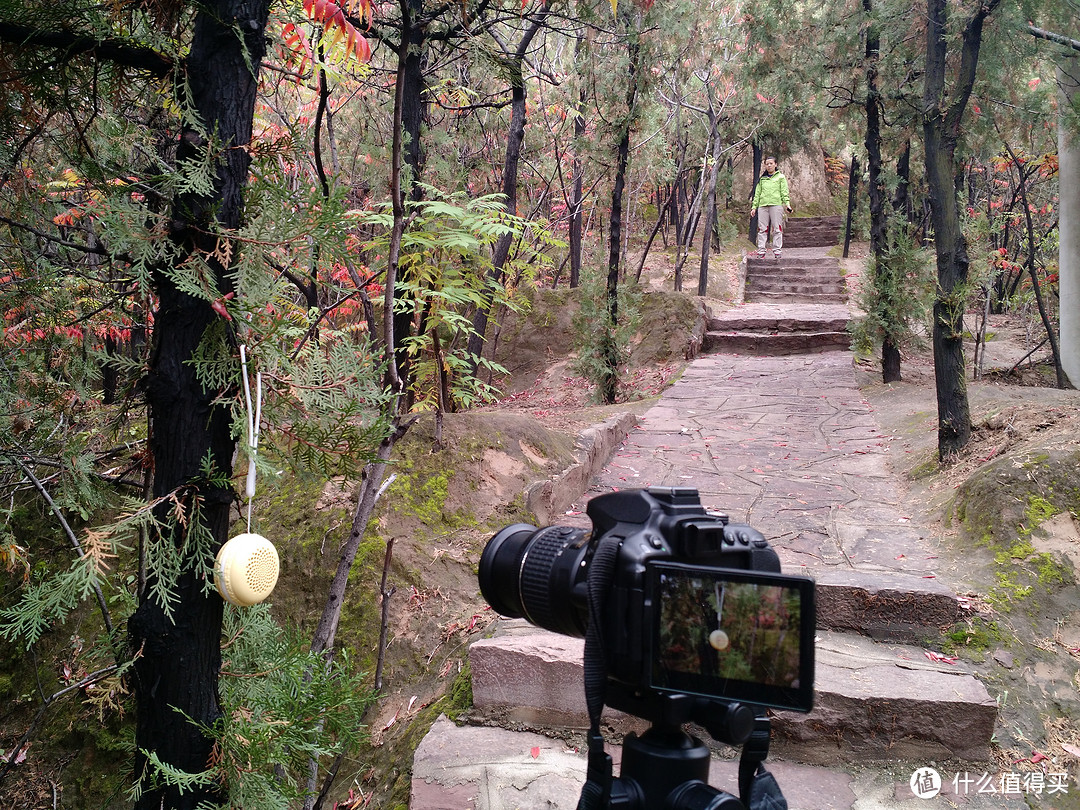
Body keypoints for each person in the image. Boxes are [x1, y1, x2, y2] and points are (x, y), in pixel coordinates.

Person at [750, 156, 793, 259]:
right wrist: (754, 207)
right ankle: (761, 251)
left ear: (775, 164)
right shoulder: (762, 179)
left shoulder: (780, 177)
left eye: (771, 163)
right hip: (762, 206)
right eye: (767, 164)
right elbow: (757, 194)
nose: (769, 165)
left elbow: (784, 192)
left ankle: (777, 251)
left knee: (777, 228)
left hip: (776, 205)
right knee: (762, 229)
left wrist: (787, 204)